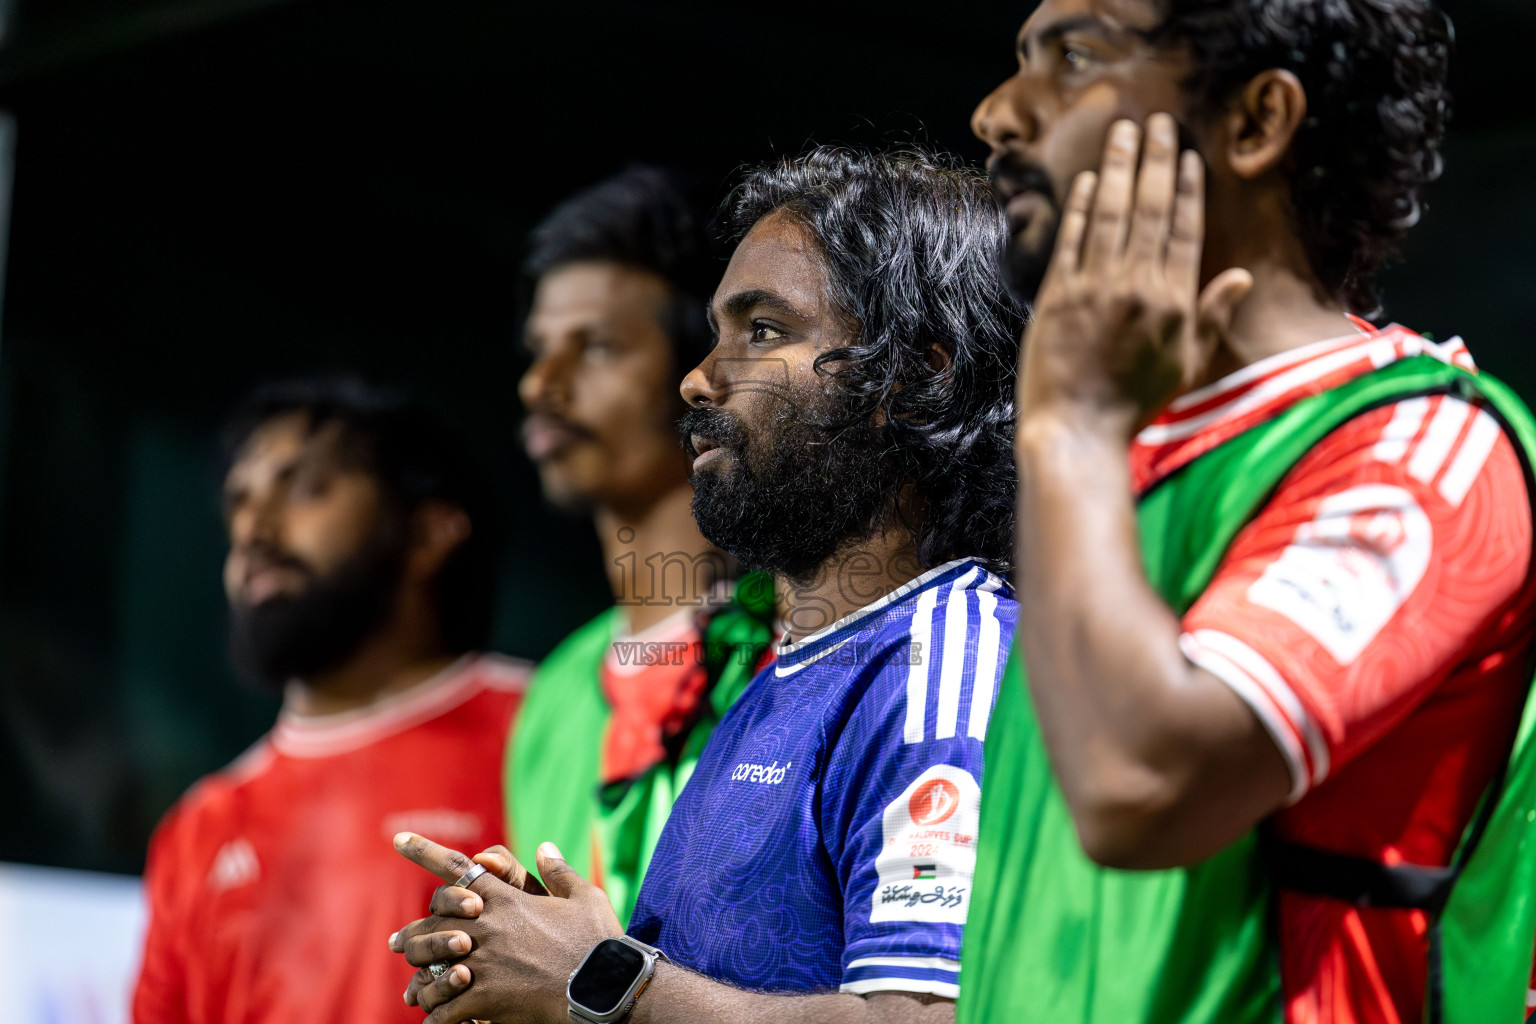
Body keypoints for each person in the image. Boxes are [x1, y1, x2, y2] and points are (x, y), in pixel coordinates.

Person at [962, 2, 1536, 1023]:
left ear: (1257, 120)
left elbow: (1141, 785)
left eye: (1076, 56)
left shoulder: (1421, 446)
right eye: (1018, 61)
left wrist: (1075, 431)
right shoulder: (1112, 466)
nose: (997, 114)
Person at [385, 145, 1028, 1024]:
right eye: (715, 333)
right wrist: (542, 950)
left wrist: (599, 978)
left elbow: (920, 1019)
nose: (699, 378)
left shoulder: (938, 663)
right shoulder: (800, 670)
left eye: (762, 330)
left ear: (913, 378)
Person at [133, 378, 529, 1024]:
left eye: (306, 488)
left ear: (429, 534)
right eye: (238, 502)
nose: (253, 528)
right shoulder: (197, 828)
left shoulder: (551, 731)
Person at [508, 166, 776, 929]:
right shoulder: (552, 698)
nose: (540, 385)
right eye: (539, 350)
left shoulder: (801, 641)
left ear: (702, 372)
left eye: (595, 348)